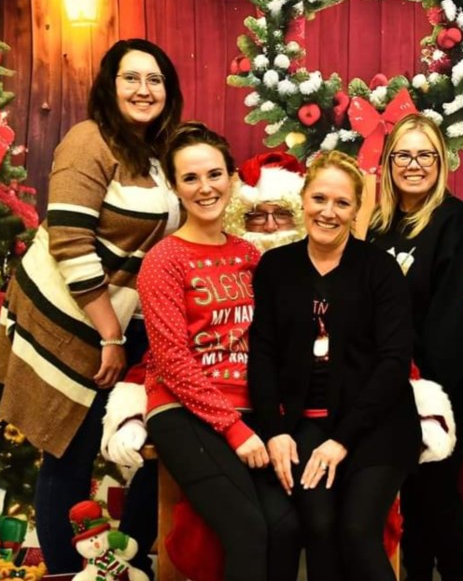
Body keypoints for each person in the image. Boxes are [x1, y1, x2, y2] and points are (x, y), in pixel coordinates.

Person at [0, 38, 183, 574]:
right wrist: (111, 337)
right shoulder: (88, 140)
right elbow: (70, 243)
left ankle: (126, 559)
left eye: (155, 80)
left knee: (159, 439)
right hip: (70, 317)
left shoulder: (159, 153)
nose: (144, 90)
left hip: (124, 318)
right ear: (109, 85)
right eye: (132, 78)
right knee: (68, 451)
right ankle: (64, 571)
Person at [137, 122, 300, 581]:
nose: (204, 187)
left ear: (231, 177)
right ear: (175, 187)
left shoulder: (250, 255)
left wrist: (276, 423)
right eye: (190, 178)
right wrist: (233, 430)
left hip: (249, 410)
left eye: (214, 174)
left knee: (286, 526)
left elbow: (271, 346)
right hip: (183, 412)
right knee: (247, 528)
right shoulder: (164, 261)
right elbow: (171, 360)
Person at [248, 151, 421, 581]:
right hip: (306, 423)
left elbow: (394, 362)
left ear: (356, 209)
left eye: (342, 203)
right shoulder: (275, 267)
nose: (328, 212)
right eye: (319, 198)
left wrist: (342, 440)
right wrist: (275, 431)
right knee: (319, 527)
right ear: (303, 200)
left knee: (357, 531)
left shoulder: (379, 269)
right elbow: (263, 354)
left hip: (377, 424)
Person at [366, 114, 463, 581]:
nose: (414, 165)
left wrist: (420, 387)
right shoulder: (380, 226)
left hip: (439, 384)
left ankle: (453, 574)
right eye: (403, 155)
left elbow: (449, 323)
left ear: (441, 162)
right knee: (407, 493)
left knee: (436, 490)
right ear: (389, 161)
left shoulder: (457, 222)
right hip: (390, 382)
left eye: (425, 155)